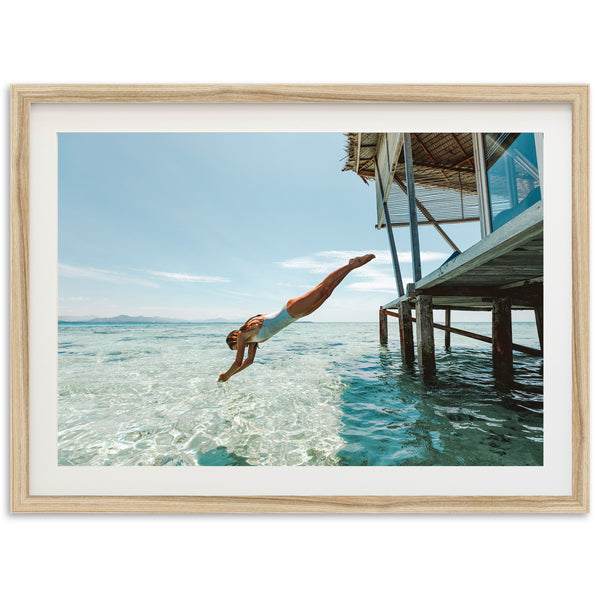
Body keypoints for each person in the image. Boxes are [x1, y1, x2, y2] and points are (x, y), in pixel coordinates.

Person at [218, 254, 375, 382]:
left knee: (321, 289)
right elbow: (248, 362)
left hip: (290, 310)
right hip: (297, 316)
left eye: (237, 348)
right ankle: (350, 267)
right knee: (327, 293)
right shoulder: (252, 341)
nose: (241, 348)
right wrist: (231, 376)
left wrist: (226, 375)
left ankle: (352, 264)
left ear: (233, 339)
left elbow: (238, 362)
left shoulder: (241, 334)